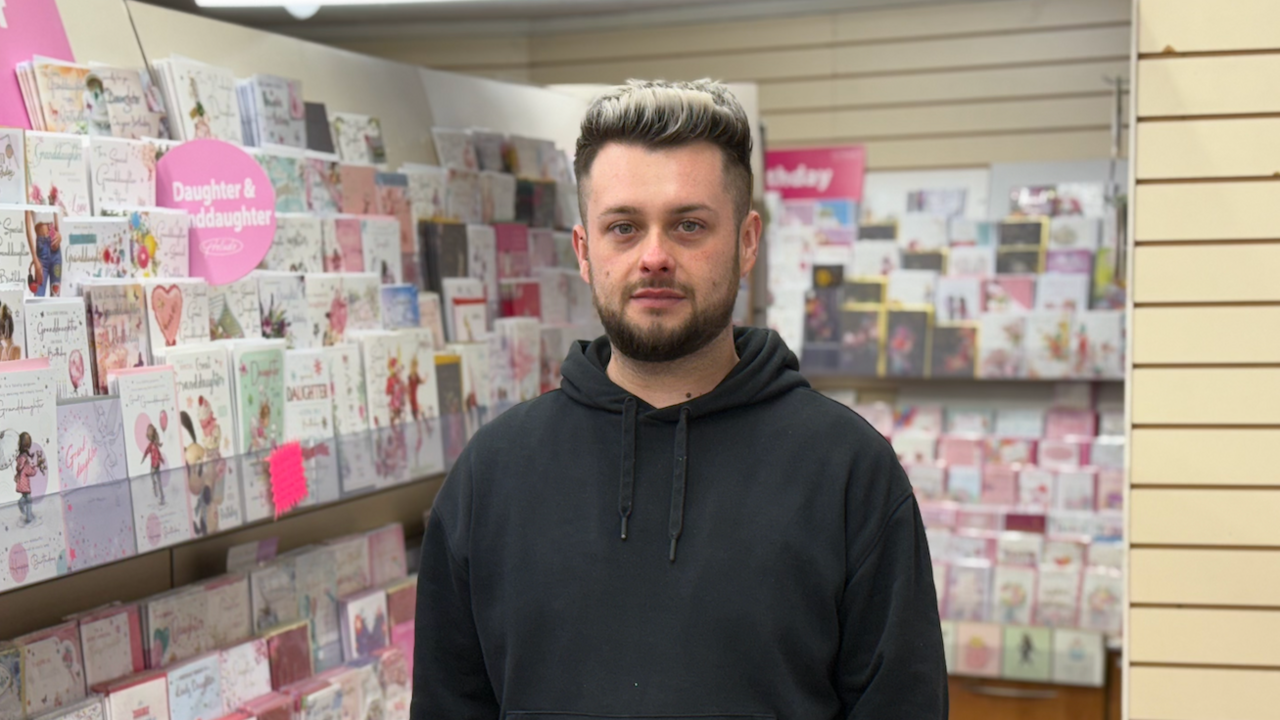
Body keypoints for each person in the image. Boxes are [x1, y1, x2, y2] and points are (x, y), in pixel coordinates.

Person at [411, 79, 947, 719]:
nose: (655, 256)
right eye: (624, 227)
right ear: (585, 251)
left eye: (689, 225)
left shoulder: (849, 472)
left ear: (747, 242)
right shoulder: (490, 476)